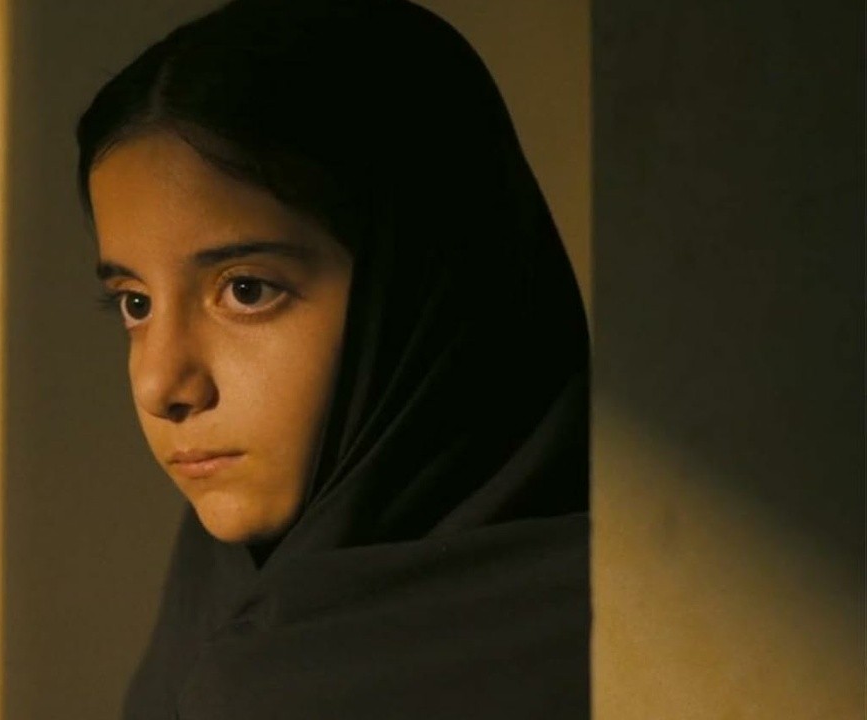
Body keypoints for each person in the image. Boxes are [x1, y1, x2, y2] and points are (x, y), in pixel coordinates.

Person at [76, 0, 590, 717]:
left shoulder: (647, 632)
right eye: (135, 303)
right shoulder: (222, 587)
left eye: (246, 290)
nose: (162, 383)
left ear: (423, 292)